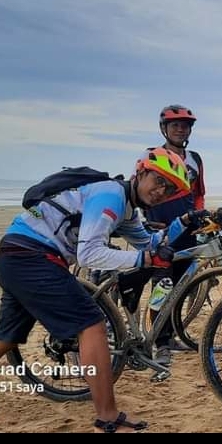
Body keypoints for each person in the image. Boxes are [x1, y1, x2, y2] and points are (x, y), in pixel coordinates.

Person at [0, 148, 199, 433]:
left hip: (17, 253)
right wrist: (144, 260)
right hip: (31, 255)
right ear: (140, 172)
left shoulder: (127, 207)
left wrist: (185, 221)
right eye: (159, 180)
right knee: (92, 324)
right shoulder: (111, 196)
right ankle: (107, 418)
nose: (161, 191)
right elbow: (89, 255)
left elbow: (148, 243)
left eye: (169, 190)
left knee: (7, 336)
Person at [139, 104, 206, 367]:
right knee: (161, 288)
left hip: (188, 231)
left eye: (185, 125)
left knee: (180, 286)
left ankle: (170, 335)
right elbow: (140, 190)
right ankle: (161, 343)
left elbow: (198, 194)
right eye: (175, 125)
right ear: (164, 128)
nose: (181, 129)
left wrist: (201, 218)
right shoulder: (151, 155)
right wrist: (145, 221)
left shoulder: (195, 159)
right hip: (162, 232)